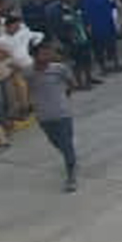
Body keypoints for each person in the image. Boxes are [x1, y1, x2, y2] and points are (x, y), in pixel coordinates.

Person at [26, 41, 79, 192]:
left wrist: (63, 97)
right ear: (34, 56)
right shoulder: (28, 73)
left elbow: (72, 83)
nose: (48, 56)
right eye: (44, 53)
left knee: (66, 143)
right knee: (56, 142)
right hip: (43, 116)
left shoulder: (59, 69)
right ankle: (72, 159)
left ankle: (71, 176)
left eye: (49, 53)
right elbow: (28, 89)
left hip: (62, 114)